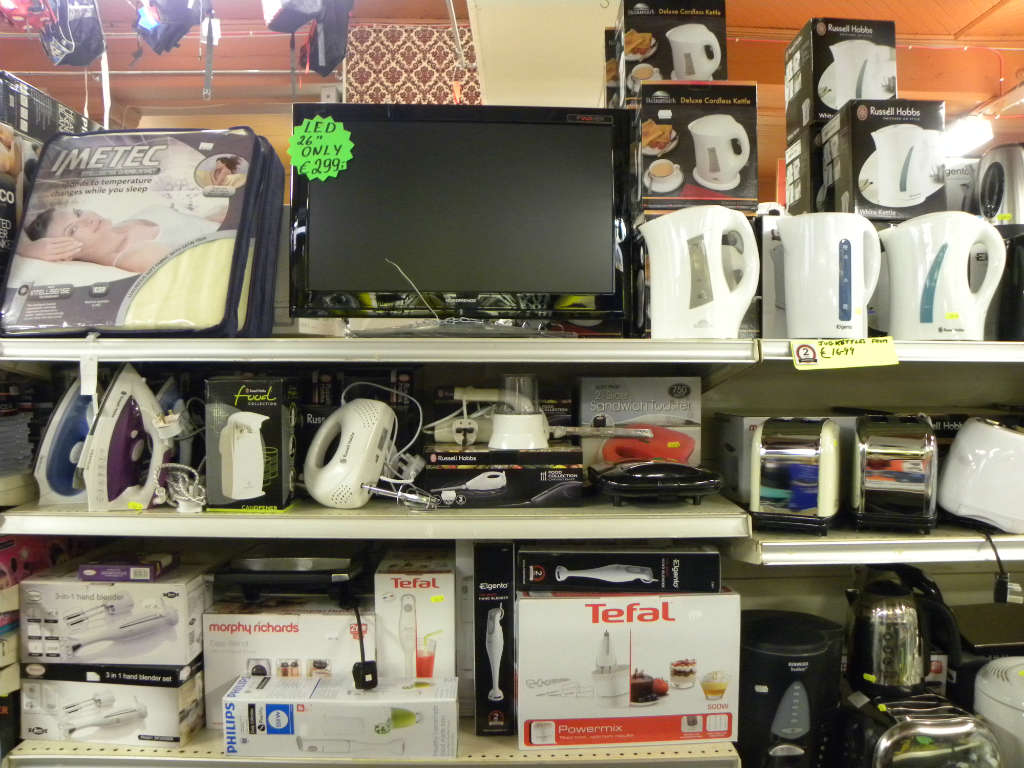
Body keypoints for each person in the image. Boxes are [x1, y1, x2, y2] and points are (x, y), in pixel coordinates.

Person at [17, 204, 226, 273]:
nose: (88, 219)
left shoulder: (143, 212)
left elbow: (201, 222)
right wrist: (25, 249)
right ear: (64, 255)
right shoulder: (136, 256)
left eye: (79, 212)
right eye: (73, 230)